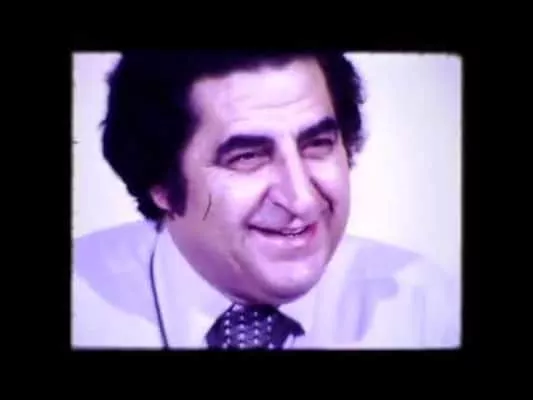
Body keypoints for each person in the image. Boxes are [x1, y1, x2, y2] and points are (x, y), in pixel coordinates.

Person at [72, 51, 460, 349]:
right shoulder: (82, 306)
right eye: (247, 157)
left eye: (318, 144)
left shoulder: (421, 306)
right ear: (159, 183)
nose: (303, 200)